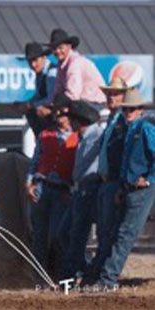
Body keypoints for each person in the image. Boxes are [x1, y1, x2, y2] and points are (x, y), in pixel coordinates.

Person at [97, 88, 155, 289]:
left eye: (132, 109)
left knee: (125, 233)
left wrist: (148, 179)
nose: (128, 112)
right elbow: (125, 163)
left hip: (143, 189)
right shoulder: (132, 129)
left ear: (140, 109)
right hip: (131, 188)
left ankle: (107, 279)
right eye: (126, 109)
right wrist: (123, 185)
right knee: (121, 233)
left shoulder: (146, 128)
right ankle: (107, 277)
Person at [26, 105, 78, 281]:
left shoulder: (78, 137)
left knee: (57, 235)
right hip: (42, 186)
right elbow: (35, 160)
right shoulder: (45, 134)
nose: (58, 116)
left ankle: (59, 273)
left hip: (63, 190)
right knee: (39, 235)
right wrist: (29, 182)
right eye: (57, 112)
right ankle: (40, 275)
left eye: (62, 113)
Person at [90, 77, 131, 280]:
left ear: (124, 96)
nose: (111, 97)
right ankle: (100, 272)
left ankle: (104, 275)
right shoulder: (112, 120)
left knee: (109, 231)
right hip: (105, 181)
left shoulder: (124, 121)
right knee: (104, 231)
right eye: (109, 94)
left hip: (115, 181)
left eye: (115, 94)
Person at [60, 100, 104, 284]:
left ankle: (74, 273)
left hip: (88, 189)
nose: (70, 122)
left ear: (80, 121)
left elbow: (92, 166)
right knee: (68, 233)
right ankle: (82, 270)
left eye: (72, 119)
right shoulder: (88, 136)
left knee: (75, 234)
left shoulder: (95, 136)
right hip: (82, 190)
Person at [43, 29, 106, 106]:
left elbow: (73, 95)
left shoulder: (75, 63)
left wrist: (52, 106)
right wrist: (46, 105)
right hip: (83, 102)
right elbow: (57, 91)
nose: (57, 51)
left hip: (95, 103)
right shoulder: (61, 65)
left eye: (60, 47)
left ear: (69, 46)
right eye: (54, 49)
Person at [13, 42, 57, 137]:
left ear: (44, 58)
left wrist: (30, 105)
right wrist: (26, 104)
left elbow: (51, 99)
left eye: (35, 60)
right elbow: (39, 95)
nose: (33, 64)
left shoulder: (52, 73)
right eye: (30, 61)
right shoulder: (40, 74)